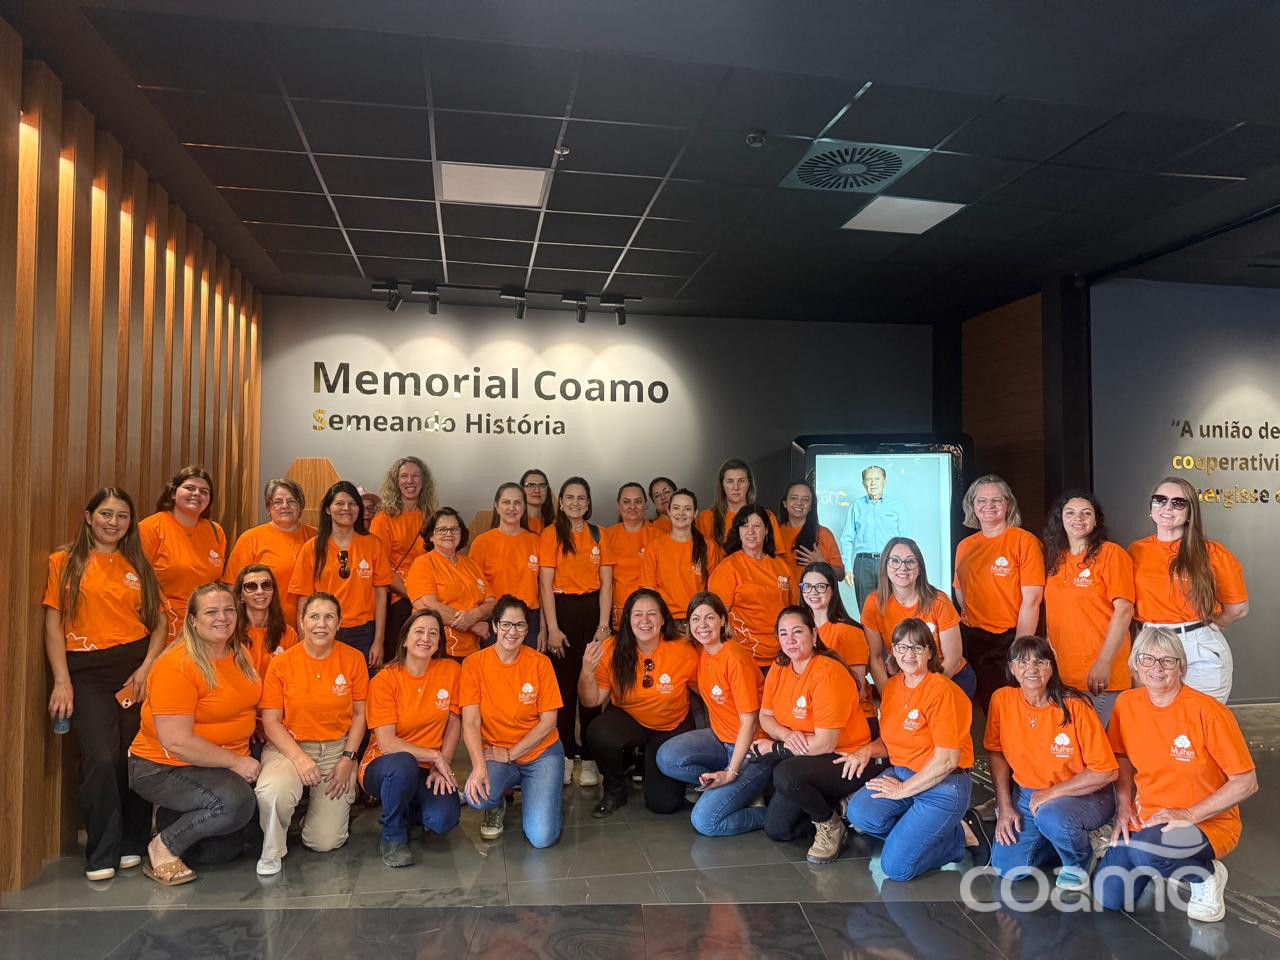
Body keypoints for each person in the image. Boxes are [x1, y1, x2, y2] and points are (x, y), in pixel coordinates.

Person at [43, 487, 167, 880]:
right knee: (100, 757)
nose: (114, 523)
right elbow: (53, 622)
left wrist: (147, 668)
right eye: (107, 514)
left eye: (122, 516)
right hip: (85, 672)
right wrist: (61, 679)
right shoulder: (64, 562)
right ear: (89, 516)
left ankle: (133, 842)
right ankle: (102, 850)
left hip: (132, 668)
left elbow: (160, 621)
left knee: (133, 756)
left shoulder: (138, 563)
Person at [1095, 627, 1257, 921]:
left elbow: (1246, 783)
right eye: (1147, 659)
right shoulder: (1127, 704)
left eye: (1167, 661)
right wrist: (1122, 807)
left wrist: (1188, 815)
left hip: (1207, 823)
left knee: (1148, 852)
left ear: (1181, 667)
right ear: (1135, 664)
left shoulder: (1209, 712)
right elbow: (1121, 757)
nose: (1156, 668)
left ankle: (1206, 876)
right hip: (1147, 821)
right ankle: (1158, 857)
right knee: (1108, 894)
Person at [128, 583, 262, 885]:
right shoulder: (177, 665)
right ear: (192, 620)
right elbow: (177, 741)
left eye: (229, 610)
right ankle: (162, 847)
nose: (223, 618)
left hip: (217, 763)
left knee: (221, 851)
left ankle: (169, 819)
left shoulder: (238, 653)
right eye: (211, 612)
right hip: (163, 766)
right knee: (236, 804)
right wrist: (236, 763)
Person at [845, 619, 981, 882]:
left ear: (931, 652)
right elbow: (891, 739)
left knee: (897, 868)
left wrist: (902, 791)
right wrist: (866, 751)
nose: (909, 655)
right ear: (893, 651)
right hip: (902, 773)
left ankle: (958, 838)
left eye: (917, 648)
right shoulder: (894, 687)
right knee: (859, 813)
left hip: (944, 786)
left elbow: (947, 760)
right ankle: (921, 833)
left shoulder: (941, 690)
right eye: (902, 647)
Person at [986, 635, 1118, 891]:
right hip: (1027, 796)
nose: (1031, 669)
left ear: (1052, 667)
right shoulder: (1002, 700)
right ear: (1011, 669)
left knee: (1052, 817)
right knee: (1008, 869)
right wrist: (1005, 806)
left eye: (1040, 662)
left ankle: (1078, 862)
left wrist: (1052, 793)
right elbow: (996, 752)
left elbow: (1106, 771)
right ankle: (1063, 838)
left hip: (1084, 794)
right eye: (1022, 662)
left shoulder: (1075, 706)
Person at [254, 592, 369, 875]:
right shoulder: (282, 663)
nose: (322, 624)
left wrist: (348, 759)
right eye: (314, 616)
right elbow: (270, 722)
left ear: (339, 623)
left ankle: (311, 817)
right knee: (273, 791)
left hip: (336, 750)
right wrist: (300, 759)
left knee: (324, 842)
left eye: (329, 617)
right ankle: (272, 849)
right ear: (302, 622)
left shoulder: (353, 659)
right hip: (289, 747)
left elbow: (360, 715)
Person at [760, 606, 879, 864]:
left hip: (847, 759)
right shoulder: (780, 666)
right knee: (778, 829)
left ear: (814, 636)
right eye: (783, 633)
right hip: (809, 757)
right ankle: (837, 806)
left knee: (785, 774)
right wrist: (785, 734)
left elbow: (825, 743)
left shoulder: (828, 673)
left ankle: (830, 824)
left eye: (797, 632)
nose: (790, 640)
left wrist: (777, 748)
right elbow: (764, 716)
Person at [656, 592, 770, 836]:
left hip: (752, 749)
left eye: (709, 618)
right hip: (720, 739)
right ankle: (730, 790)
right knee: (667, 756)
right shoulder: (702, 653)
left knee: (706, 821)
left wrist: (732, 772)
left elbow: (749, 722)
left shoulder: (734, 658)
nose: (702, 625)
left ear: (722, 621)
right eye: (695, 619)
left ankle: (769, 812)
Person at [579, 589, 698, 817]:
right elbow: (591, 700)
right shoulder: (611, 649)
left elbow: (705, 692)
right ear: (628, 620)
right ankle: (614, 791)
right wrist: (586, 671)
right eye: (638, 614)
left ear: (663, 619)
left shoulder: (683, 650)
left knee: (663, 805)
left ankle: (648, 763)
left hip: (670, 726)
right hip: (629, 718)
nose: (645, 621)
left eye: (652, 614)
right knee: (599, 731)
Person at [1128, 477, 1248, 703]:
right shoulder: (1136, 551)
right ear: (1151, 507)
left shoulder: (1212, 552)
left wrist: (1205, 625)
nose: (1167, 507)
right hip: (1150, 644)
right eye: (1160, 500)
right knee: (1156, 723)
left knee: (1201, 721)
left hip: (1197, 646)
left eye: (1178, 503)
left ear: (1190, 511)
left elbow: (1238, 608)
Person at [460, 596, 564, 848]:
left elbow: (548, 721)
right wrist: (478, 767)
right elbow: (471, 722)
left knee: (541, 838)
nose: (512, 632)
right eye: (506, 624)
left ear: (527, 630)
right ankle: (498, 802)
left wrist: (511, 754)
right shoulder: (474, 664)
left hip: (540, 753)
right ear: (494, 626)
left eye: (519, 626)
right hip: (496, 751)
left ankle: (540, 793)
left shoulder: (540, 663)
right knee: (478, 797)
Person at [361, 609, 462, 866]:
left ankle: (407, 809)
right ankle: (392, 835)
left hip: (427, 767)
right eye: (419, 631)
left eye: (433, 633)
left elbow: (454, 721)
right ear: (405, 639)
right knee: (403, 762)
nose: (426, 638)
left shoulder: (450, 670)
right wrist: (435, 755)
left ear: (439, 642)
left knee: (443, 819)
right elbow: (387, 743)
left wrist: (443, 763)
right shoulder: (385, 679)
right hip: (384, 764)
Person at [539, 477, 614, 787]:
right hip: (563, 611)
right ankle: (567, 754)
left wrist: (603, 625)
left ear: (588, 502)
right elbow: (544, 584)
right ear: (560, 501)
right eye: (569, 497)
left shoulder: (600, 534)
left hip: (592, 613)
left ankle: (592, 759)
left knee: (592, 687)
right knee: (566, 689)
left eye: (581, 498)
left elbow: (607, 582)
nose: (575, 502)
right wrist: (553, 629)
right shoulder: (551, 534)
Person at [1042, 491, 1135, 726]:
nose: (1078, 518)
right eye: (1070, 513)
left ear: (1096, 520)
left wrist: (1104, 662)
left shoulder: (1111, 554)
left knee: (1097, 754)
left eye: (1086, 513)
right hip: (1063, 676)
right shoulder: (1055, 559)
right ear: (1060, 519)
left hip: (1100, 675)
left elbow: (1124, 610)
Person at [954, 474, 1045, 714]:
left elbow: (1032, 600)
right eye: (981, 500)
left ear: (1008, 504)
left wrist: (1020, 650)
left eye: (996, 500)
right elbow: (960, 591)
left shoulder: (1024, 542)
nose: (988, 506)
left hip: (1009, 641)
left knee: (1011, 710)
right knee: (983, 711)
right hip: (972, 640)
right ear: (972, 505)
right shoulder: (965, 546)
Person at [288, 480, 392, 667]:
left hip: (363, 632)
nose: (347, 508)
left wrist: (379, 640)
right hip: (322, 630)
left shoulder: (373, 545)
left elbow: (380, 593)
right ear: (328, 509)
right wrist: (305, 640)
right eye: (339, 503)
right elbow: (303, 599)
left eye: (352, 504)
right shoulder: (312, 548)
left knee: (358, 689)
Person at [861, 537, 975, 699]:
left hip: (949, 677)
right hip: (905, 679)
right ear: (885, 566)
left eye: (910, 561)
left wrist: (921, 695)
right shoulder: (874, 603)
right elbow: (876, 658)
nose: (903, 567)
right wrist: (889, 697)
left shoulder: (939, 602)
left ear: (920, 567)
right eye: (895, 561)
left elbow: (953, 659)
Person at [139, 465, 227, 641]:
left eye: (204, 491)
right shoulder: (150, 528)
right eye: (189, 488)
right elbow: (138, 581)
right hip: (162, 627)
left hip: (205, 627)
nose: (197, 494)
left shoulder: (215, 531)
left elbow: (218, 582)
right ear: (173, 493)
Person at [707, 504, 797, 671]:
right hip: (746, 659)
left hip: (784, 657)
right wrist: (737, 655)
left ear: (767, 530)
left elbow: (793, 610)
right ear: (738, 531)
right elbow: (718, 619)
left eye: (757, 526)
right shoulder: (727, 568)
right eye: (745, 525)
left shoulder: (781, 566)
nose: (751, 531)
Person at [404, 508, 495, 660]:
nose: (449, 533)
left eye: (454, 529)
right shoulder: (423, 564)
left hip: (473, 651)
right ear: (431, 536)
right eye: (442, 529)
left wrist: (474, 615)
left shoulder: (471, 565)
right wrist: (473, 626)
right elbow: (430, 607)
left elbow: (491, 602)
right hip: (437, 649)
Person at [224, 478, 315, 628]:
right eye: (278, 502)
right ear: (268, 508)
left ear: (301, 506)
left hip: (311, 628)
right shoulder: (251, 538)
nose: (285, 506)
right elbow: (233, 588)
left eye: (291, 501)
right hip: (263, 627)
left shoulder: (316, 538)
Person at [370, 456, 436, 661]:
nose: (410, 481)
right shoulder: (383, 519)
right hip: (398, 599)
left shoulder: (432, 517)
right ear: (395, 482)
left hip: (428, 596)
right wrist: (415, 595)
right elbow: (381, 568)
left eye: (415, 476)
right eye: (404, 476)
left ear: (423, 482)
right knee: (397, 659)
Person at [798, 562, 875, 734]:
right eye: (807, 587)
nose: (813, 592)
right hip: (813, 717)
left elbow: (858, 689)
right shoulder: (798, 631)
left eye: (820, 587)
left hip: (854, 721)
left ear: (832, 589)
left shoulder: (849, 632)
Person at [468, 482, 544, 649]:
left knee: (527, 673)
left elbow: (544, 588)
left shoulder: (536, 541)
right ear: (496, 506)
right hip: (494, 620)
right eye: (506, 502)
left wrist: (543, 629)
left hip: (530, 621)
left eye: (517, 502)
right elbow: (472, 588)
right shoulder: (482, 543)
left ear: (524, 507)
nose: (512, 507)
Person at [640, 489, 720, 633]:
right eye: (676, 508)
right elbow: (648, 592)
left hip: (698, 621)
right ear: (669, 511)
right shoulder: (655, 547)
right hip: (665, 621)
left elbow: (713, 590)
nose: (681, 513)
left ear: (695, 513)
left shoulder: (708, 546)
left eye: (687, 509)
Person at [839, 465, 904, 612]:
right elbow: (847, 539)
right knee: (867, 612)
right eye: (869, 479)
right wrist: (847, 568)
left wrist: (904, 566)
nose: (873, 483)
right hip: (863, 564)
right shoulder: (856, 506)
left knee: (893, 610)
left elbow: (904, 541)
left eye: (877, 479)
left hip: (890, 562)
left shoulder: (897, 506)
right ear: (863, 484)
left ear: (884, 482)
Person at [696, 458, 782, 550]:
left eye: (741, 481)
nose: (736, 487)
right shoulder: (706, 518)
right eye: (730, 481)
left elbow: (776, 558)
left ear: (749, 484)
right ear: (722, 486)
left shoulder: (766, 516)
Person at [604, 482, 656, 629]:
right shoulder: (606, 536)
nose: (632, 507)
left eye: (638, 502)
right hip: (617, 615)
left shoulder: (659, 536)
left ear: (645, 505)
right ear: (618, 506)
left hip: (651, 615)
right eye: (626, 502)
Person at [232, 565, 298, 679]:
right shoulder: (230, 633)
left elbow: (292, 678)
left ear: (273, 591)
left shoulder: (289, 634)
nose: (260, 591)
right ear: (241, 596)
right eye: (251, 586)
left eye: (266, 585)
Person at [778, 480, 844, 585]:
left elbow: (841, 575)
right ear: (785, 503)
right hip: (782, 599)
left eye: (805, 499)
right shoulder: (775, 533)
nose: (799, 503)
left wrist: (822, 564)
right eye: (794, 498)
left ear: (810, 507)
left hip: (815, 598)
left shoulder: (824, 534)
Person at [520, 468, 555, 535]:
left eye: (542, 485)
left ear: (547, 491)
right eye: (530, 485)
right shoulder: (513, 521)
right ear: (521, 490)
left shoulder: (553, 524)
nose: (537, 491)